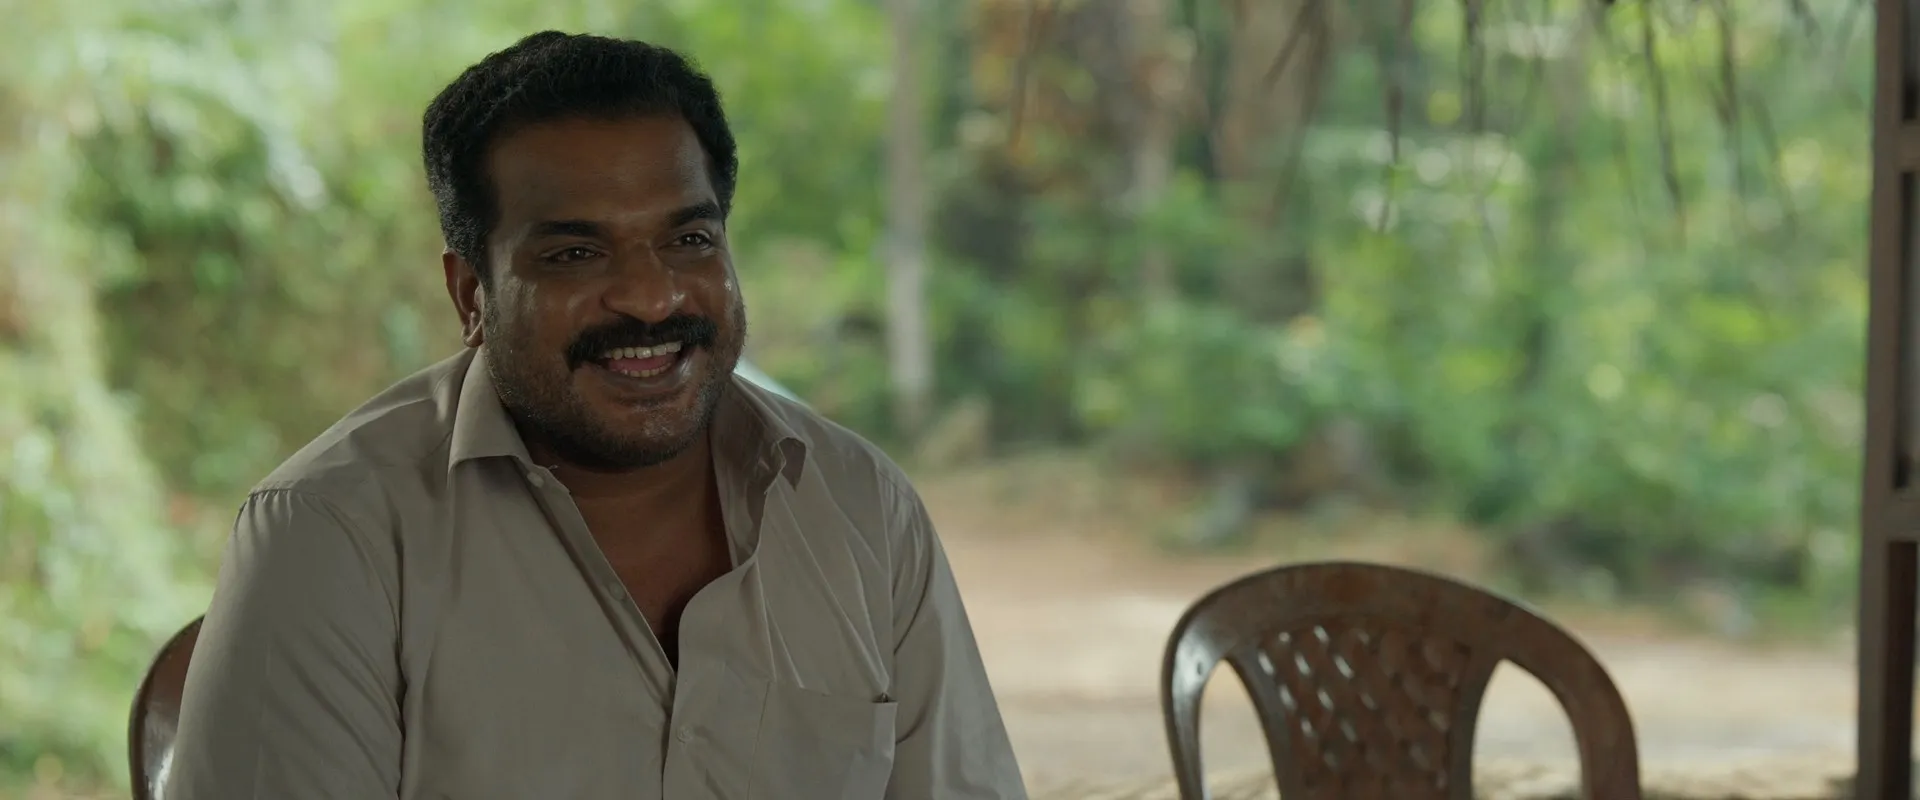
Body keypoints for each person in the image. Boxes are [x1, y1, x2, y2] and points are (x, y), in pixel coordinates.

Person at [163, 31, 1028, 799]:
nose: (651, 298)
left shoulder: (861, 509)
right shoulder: (330, 536)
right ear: (471, 295)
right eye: (575, 253)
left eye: (689, 241)